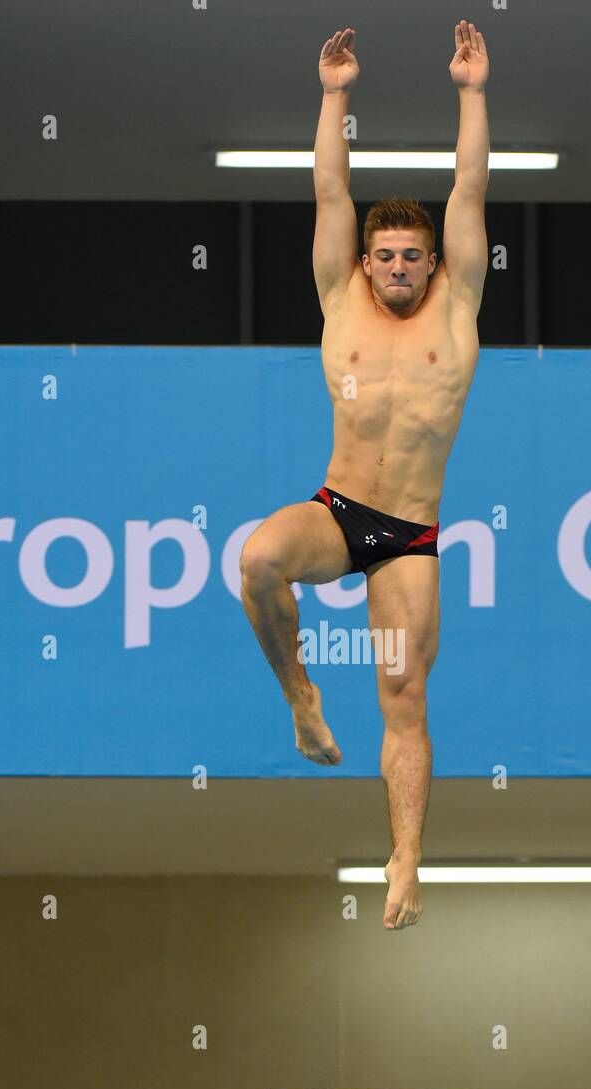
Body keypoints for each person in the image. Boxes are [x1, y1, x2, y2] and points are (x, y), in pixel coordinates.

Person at [240, 22, 490, 929]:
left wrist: (469, 92)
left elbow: (468, 187)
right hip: (338, 510)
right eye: (381, 254)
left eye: (409, 256)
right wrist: (334, 94)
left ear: (435, 265)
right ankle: (301, 699)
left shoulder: (455, 306)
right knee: (260, 558)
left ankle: (406, 859)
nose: (393, 266)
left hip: (407, 538)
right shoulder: (338, 294)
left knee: (404, 694)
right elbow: (328, 185)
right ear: (362, 261)